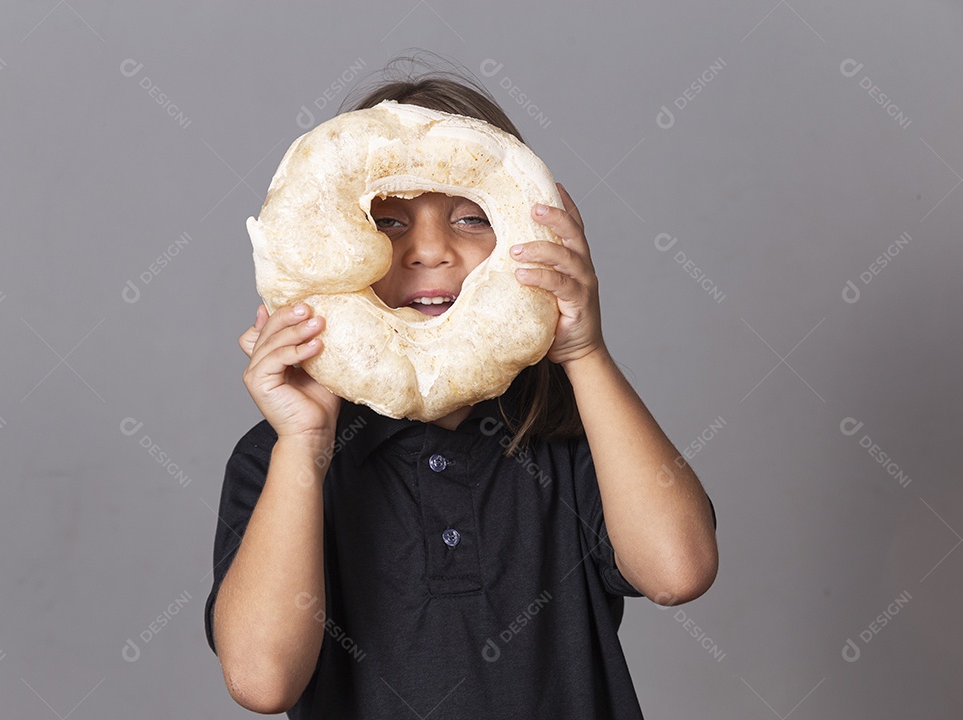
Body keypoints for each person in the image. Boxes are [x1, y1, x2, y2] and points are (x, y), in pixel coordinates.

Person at [205, 62, 718, 719]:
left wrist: (584, 352)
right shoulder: (283, 458)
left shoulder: (570, 437)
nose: (430, 250)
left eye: (471, 218)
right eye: (388, 222)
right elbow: (262, 681)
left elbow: (679, 573)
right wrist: (303, 446)